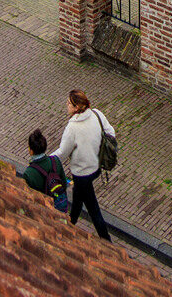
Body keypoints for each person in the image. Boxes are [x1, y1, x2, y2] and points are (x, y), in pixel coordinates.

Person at [53, 88, 114, 241]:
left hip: (82, 173)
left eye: (69, 103)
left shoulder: (72, 128)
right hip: (96, 167)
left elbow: (63, 152)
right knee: (78, 197)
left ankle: (106, 240)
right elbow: (111, 133)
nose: (66, 105)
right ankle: (72, 222)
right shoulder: (97, 114)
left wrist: (47, 159)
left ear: (76, 108)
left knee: (93, 208)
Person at [21, 129, 69, 212]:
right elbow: (64, 183)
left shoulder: (29, 174)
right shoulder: (55, 161)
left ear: (31, 151)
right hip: (59, 204)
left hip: (45, 210)